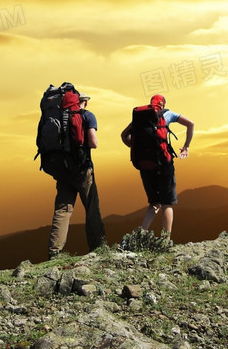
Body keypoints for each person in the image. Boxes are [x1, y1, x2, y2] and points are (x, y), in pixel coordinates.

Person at [120, 93, 194, 238]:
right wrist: (186, 146)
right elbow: (191, 124)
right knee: (167, 203)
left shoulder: (139, 117)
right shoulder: (167, 114)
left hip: (145, 164)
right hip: (163, 165)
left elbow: (123, 135)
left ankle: (140, 237)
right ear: (163, 104)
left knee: (154, 203)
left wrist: (137, 148)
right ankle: (165, 240)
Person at [47, 92, 106, 259]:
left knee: (62, 209)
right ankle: (98, 248)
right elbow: (93, 143)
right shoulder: (87, 116)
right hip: (83, 169)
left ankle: (54, 252)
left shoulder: (58, 118)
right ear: (84, 102)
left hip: (63, 171)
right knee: (92, 208)